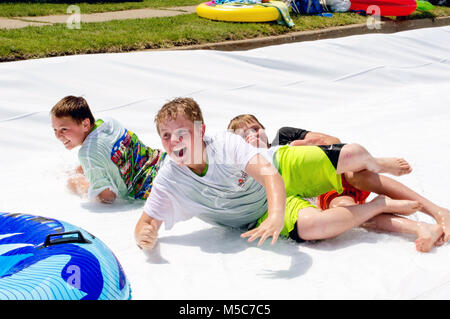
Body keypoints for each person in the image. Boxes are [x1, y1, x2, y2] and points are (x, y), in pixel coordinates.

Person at [134, 97, 425, 252]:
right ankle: (377, 206)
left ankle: (385, 169)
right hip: (260, 211)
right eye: (165, 136)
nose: (173, 142)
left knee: (354, 156)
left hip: (280, 165)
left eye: (181, 133)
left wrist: (276, 215)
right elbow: (145, 222)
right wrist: (144, 237)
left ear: (201, 132)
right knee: (315, 229)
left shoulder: (225, 145)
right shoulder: (170, 177)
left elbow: (270, 175)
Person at [227, 114, 450, 252]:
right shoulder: (247, 172)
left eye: (255, 129)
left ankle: (437, 211)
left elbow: (334, 144)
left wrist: (306, 146)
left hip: (329, 176)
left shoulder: (283, 139)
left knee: (356, 175)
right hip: (318, 198)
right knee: (347, 212)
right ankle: (423, 228)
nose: (252, 135)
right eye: (243, 135)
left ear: (265, 129)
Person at [50, 96, 166, 204]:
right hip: (163, 162)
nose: (58, 136)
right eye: (55, 130)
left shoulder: (86, 154)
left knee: (72, 183)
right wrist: (81, 169)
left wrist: (76, 184)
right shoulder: (108, 123)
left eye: (63, 129)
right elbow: (105, 156)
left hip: (154, 189)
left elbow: (107, 197)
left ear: (85, 124)